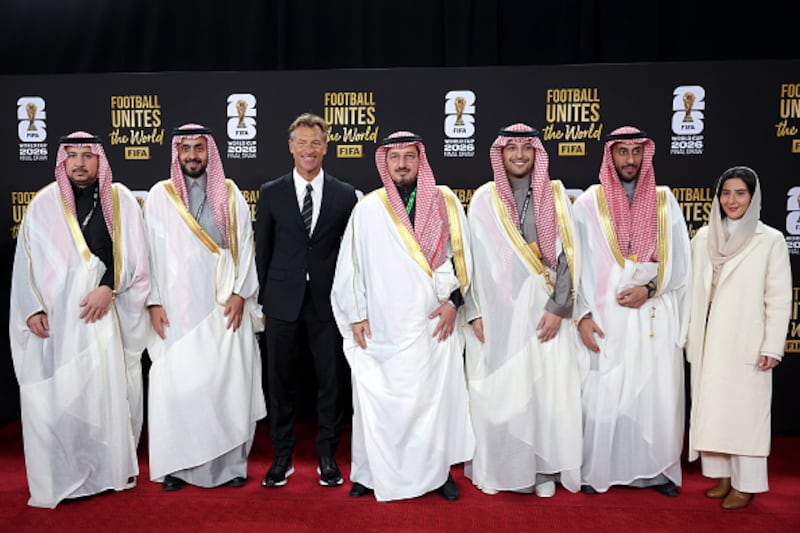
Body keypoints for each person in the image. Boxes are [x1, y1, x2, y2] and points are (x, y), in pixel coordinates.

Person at [331, 131, 474, 502]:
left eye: (409, 156)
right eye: (394, 157)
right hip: (382, 327)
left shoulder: (445, 202)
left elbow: (464, 259)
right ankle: (368, 473)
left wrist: (453, 303)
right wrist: (356, 316)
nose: (402, 164)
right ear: (385, 162)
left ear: (420, 159)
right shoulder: (368, 208)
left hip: (433, 325)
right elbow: (350, 267)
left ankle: (436, 474)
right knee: (376, 401)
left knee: (432, 403)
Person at [9, 132, 150, 508]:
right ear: (63, 161)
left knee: (103, 395)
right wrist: (32, 308)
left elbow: (136, 256)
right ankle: (66, 474)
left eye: (88, 155)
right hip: (59, 324)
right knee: (64, 396)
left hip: (105, 316)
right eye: (72, 156)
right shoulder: (43, 204)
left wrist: (108, 289)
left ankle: (105, 473)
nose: (80, 163)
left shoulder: (119, 200)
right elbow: (25, 262)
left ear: (100, 160)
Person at [463, 123, 584, 498]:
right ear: (500, 153)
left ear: (536, 153)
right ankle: (503, 466)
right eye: (511, 148)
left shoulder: (555, 195)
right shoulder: (484, 199)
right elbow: (472, 260)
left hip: (545, 311)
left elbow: (568, 256)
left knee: (544, 391)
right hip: (500, 314)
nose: (519, 154)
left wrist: (558, 307)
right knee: (504, 391)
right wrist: (475, 311)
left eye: (526, 148)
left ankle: (542, 470)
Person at [144, 124, 266, 491]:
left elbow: (245, 246)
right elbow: (148, 254)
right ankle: (179, 467)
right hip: (177, 310)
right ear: (177, 154)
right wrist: (153, 301)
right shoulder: (160, 196)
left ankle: (230, 467)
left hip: (223, 308)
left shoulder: (229, 193)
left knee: (226, 385)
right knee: (179, 386)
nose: (193, 156)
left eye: (199, 148)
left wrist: (241, 293)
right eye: (186, 149)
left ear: (209, 151)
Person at [573, 126, 691, 496]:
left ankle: (656, 471)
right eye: (622, 152)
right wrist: (581, 315)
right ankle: (599, 470)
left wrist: (648, 289)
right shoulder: (588, 204)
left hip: (652, 315)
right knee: (604, 393)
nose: (630, 159)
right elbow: (573, 267)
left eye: (636, 152)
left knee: (653, 393)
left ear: (645, 155)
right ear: (610, 155)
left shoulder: (663, 201)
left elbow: (681, 264)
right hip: (606, 318)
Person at [255, 113, 357, 488]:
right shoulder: (271, 192)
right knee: (280, 381)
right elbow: (263, 252)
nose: (308, 150)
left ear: (326, 147)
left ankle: (327, 455)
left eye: (315, 143)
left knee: (330, 381)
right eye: (302, 142)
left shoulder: (345, 194)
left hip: (328, 303)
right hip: (281, 302)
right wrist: (264, 304)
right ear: (290, 147)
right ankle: (282, 456)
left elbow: (351, 254)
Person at [686, 166, 791, 510]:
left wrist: (772, 345)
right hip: (708, 339)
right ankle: (722, 476)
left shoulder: (769, 240)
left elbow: (778, 297)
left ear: (753, 197)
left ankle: (747, 484)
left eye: (740, 193)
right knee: (714, 410)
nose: (732, 200)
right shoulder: (703, 237)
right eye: (726, 193)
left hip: (745, 339)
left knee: (746, 415)